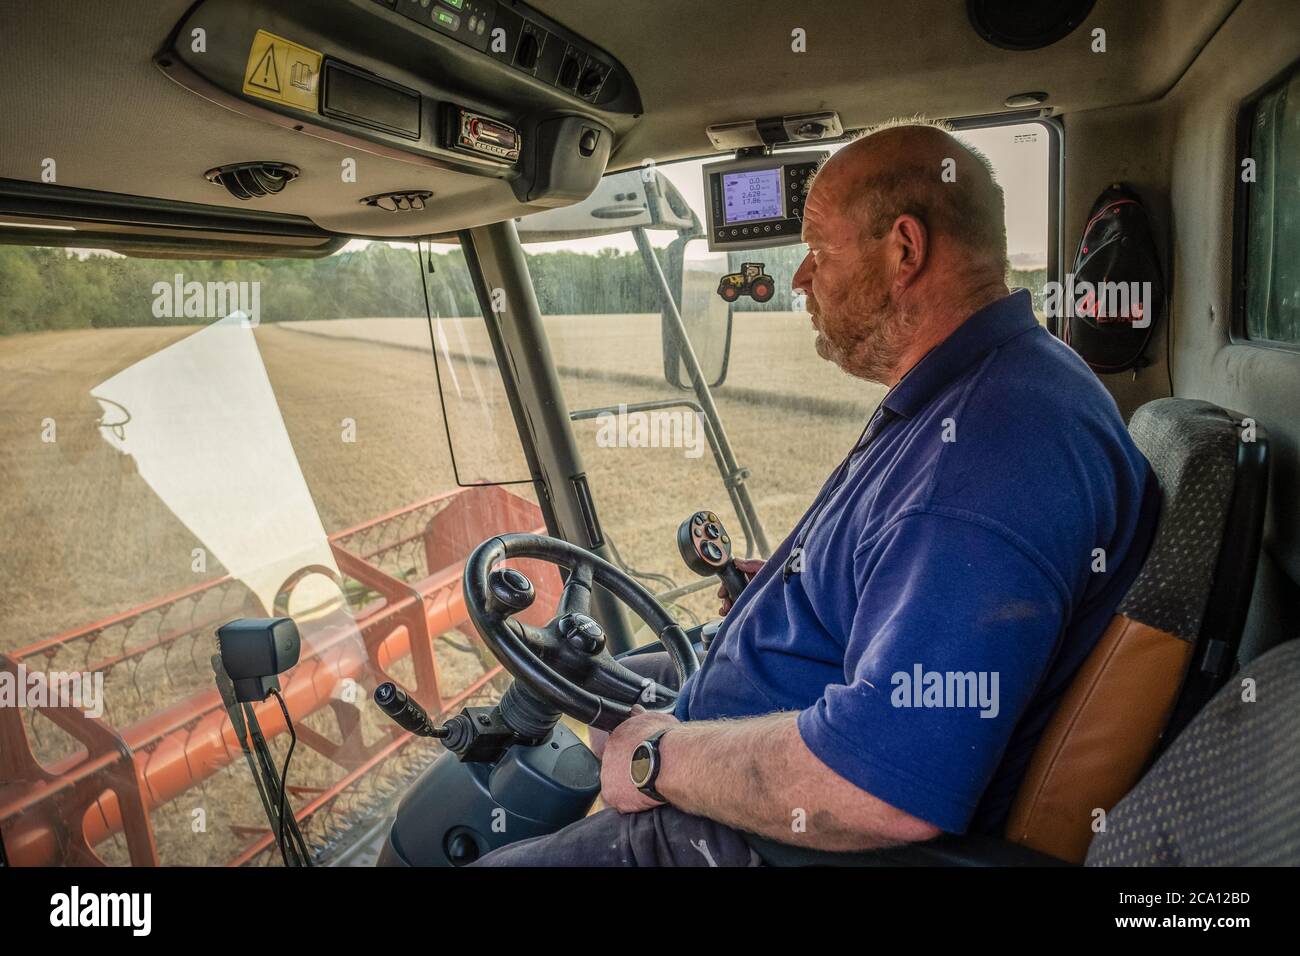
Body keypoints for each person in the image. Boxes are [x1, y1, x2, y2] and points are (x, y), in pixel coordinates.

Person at [474, 120, 1160, 866]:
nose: (800, 278)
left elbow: (879, 788)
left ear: (904, 250)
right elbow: (913, 573)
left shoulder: (991, 449)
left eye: (819, 252)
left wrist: (658, 759)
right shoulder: (982, 389)